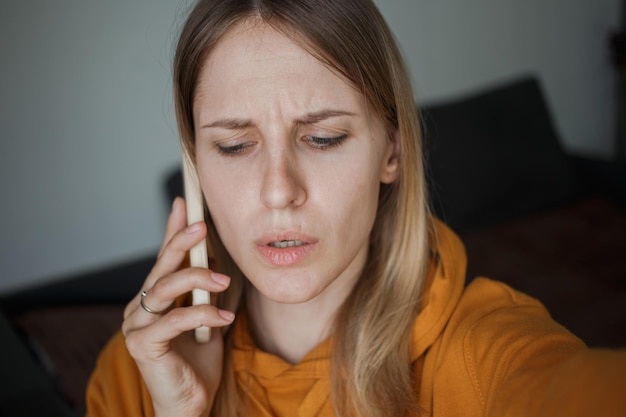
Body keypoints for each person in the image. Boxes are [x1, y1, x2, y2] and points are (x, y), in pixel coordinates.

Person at [85, 0, 626, 416]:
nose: (279, 191)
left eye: (322, 138)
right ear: (195, 161)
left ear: (391, 150)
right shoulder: (139, 371)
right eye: (233, 145)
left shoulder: (480, 352)